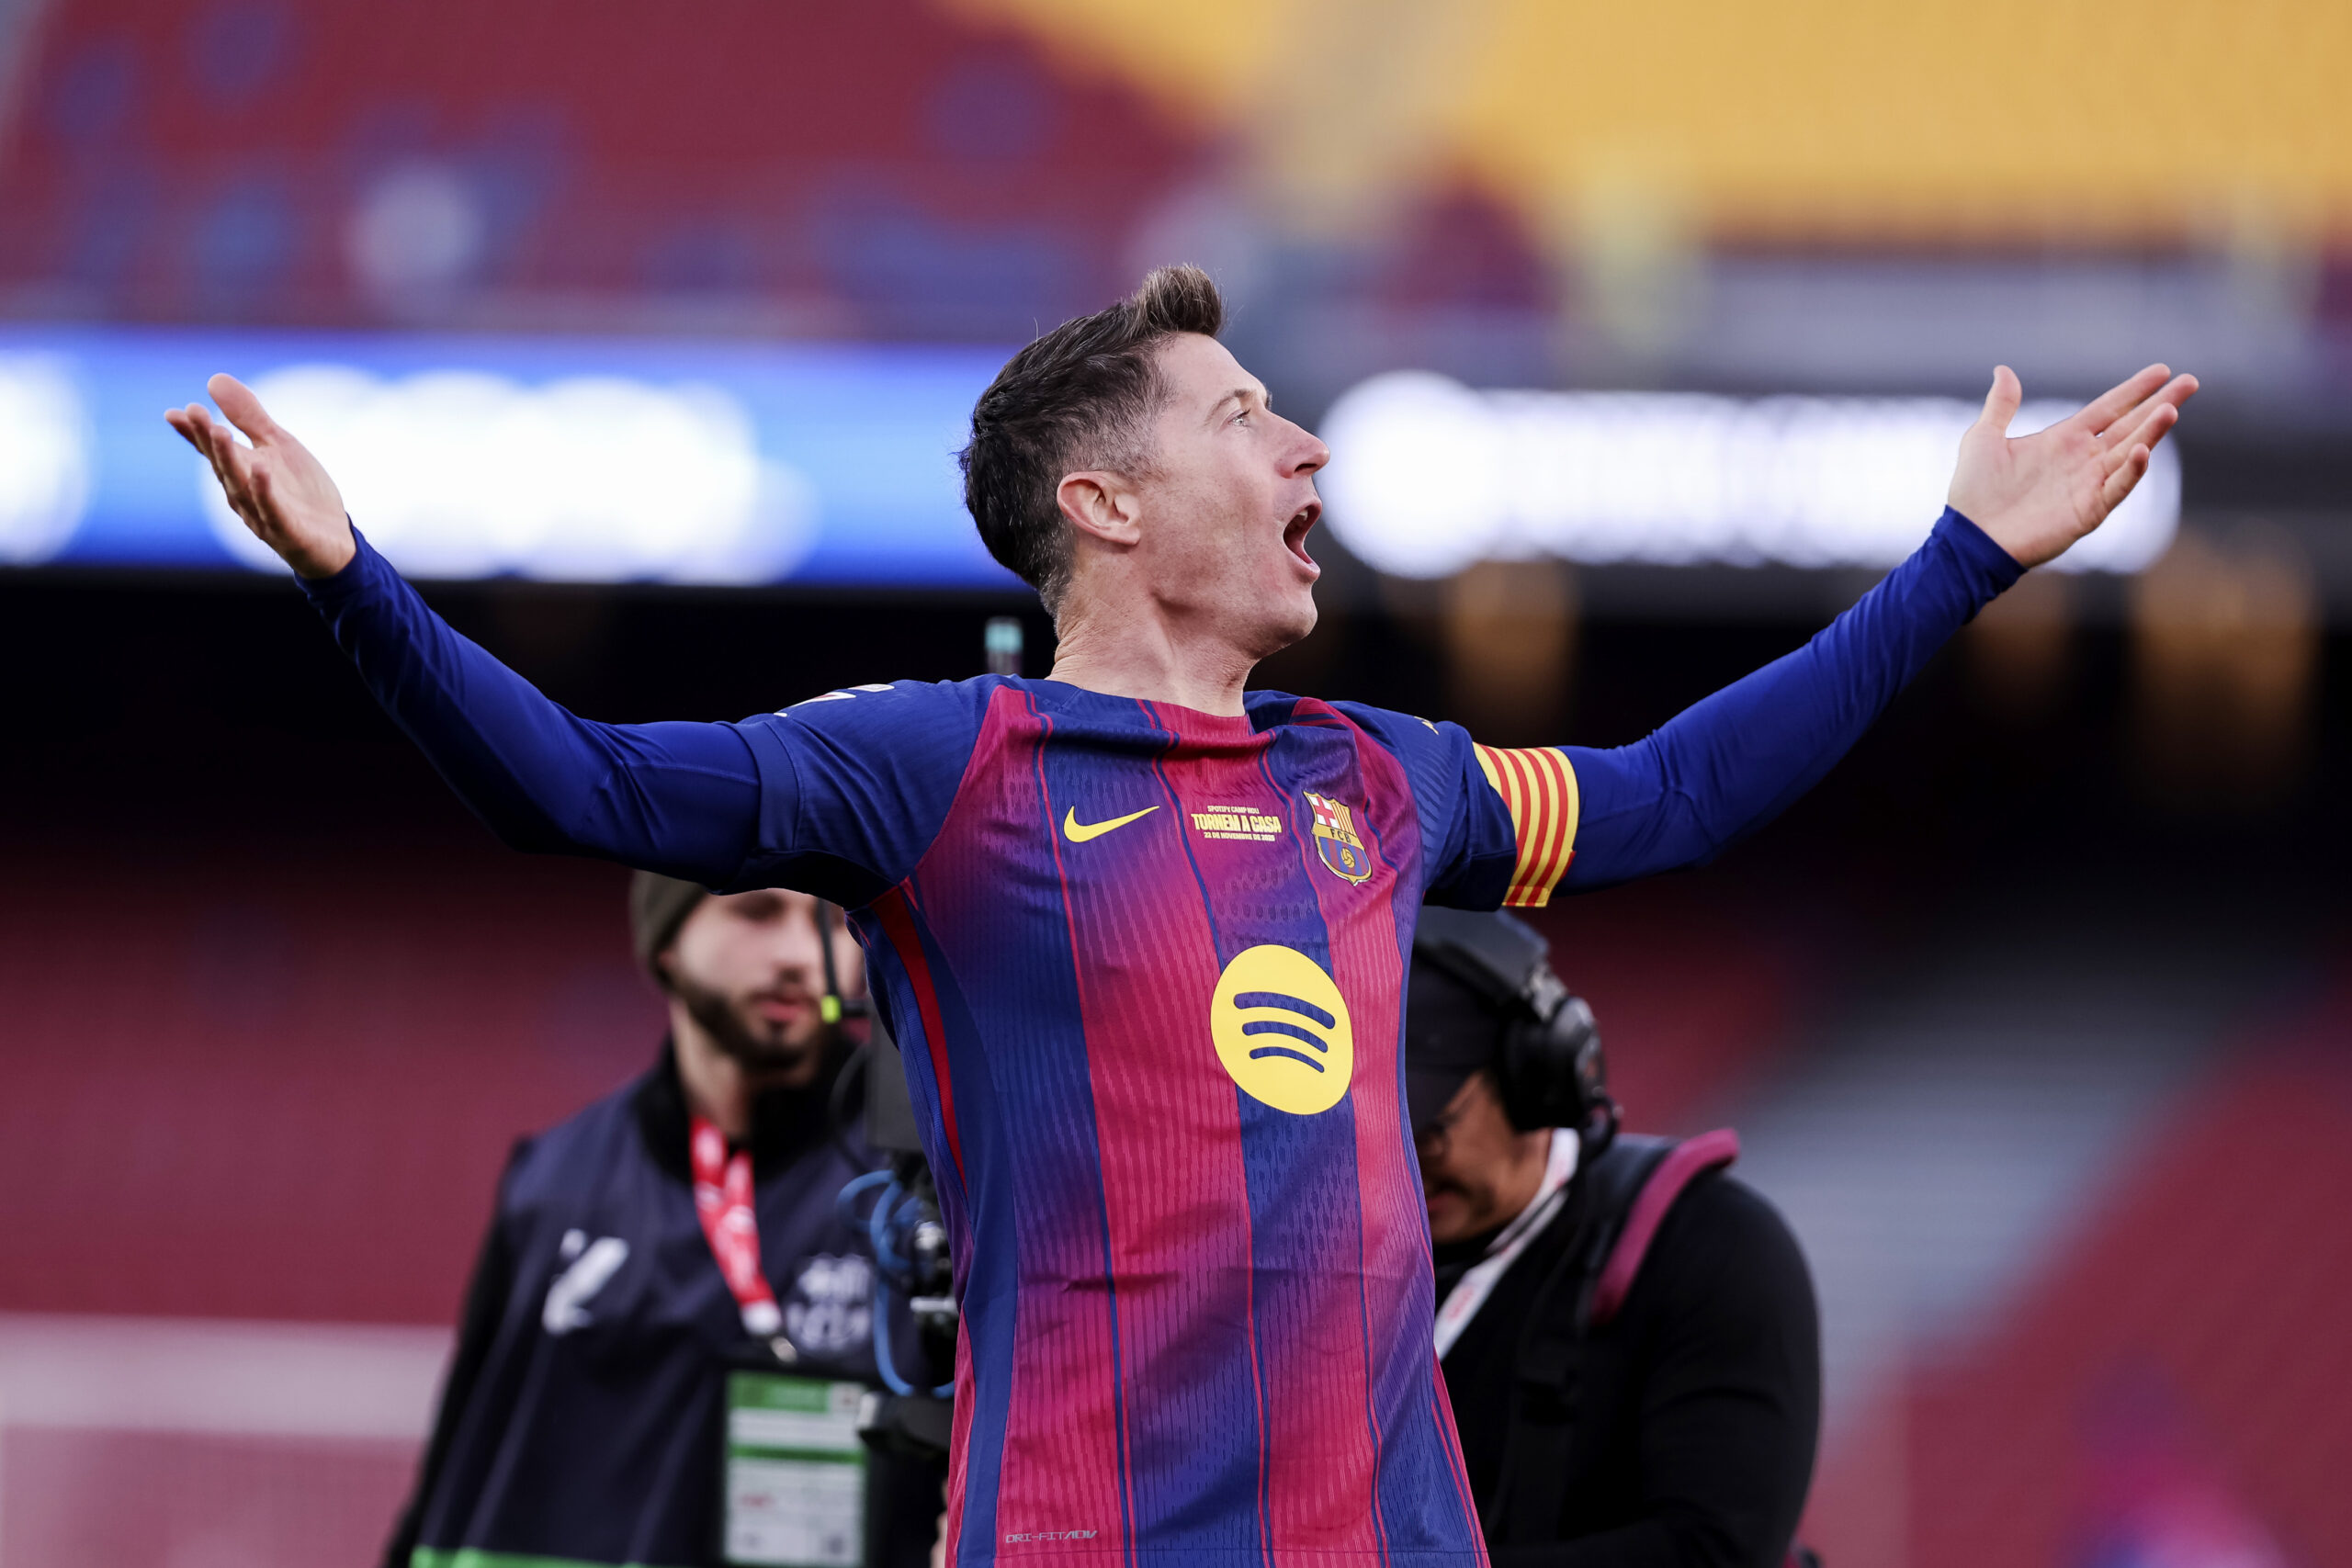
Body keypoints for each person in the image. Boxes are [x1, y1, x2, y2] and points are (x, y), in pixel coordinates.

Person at [166, 264, 2190, 1568]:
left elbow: (1669, 795)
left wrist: (1954, 564)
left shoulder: (1371, 776)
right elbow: (583, 788)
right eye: (1243, 416)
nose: (1304, 442)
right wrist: (356, 581)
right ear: (1103, 506)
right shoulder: (937, 766)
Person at [386, 874, 943, 1568]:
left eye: (831, 924)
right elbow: (455, 1476)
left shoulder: (927, 1180)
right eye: (756, 912)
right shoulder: (551, 1188)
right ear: (667, 944)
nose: (799, 953)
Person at [1408, 908, 1818, 1568]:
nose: (1400, 1156)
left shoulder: (1707, 1246)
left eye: (1428, 1124)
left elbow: (1717, 1550)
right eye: (1372, 1124)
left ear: (1536, 1076)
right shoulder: (1330, 1279)